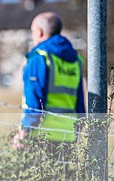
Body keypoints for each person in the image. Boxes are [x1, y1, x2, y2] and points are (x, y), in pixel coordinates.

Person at [12, 11, 85, 150]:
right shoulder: (75, 61)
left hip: (40, 136)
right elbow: (80, 102)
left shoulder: (39, 57)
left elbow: (34, 100)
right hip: (67, 136)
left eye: (32, 32)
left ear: (39, 32)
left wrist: (23, 132)